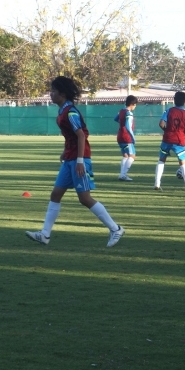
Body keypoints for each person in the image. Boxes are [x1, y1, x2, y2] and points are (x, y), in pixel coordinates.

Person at [26, 76, 124, 247]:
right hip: (70, 158)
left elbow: (81, 135)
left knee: (85, 198)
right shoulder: (62, 110)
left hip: (80, 159)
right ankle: (44, 235)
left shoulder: (70, 112)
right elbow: (71, 136)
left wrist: (79, 160)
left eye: (54, 91)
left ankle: (115, 229)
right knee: (55, 194)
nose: (51, 94)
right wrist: (66, 151)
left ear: (62, 94)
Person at [153, 91, 185, 193]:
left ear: (174, 100)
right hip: (180, 140)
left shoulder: (168, 111)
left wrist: (167, 131)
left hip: (167, 139)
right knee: (183, 163)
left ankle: (157, 183)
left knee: (161, 160)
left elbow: (161, 123)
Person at [115, 95, 138, 181]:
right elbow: (128, 126)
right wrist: (133, 137)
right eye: (135, 105)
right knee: (132, 156)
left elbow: (115, 118)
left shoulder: (122, 111)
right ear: (132, 104)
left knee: (125, 155)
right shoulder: (129, 113)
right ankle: (123, 174)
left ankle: (122, 174)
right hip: (126, 136)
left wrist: (122, 123)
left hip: (120, 135)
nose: (135, 107)